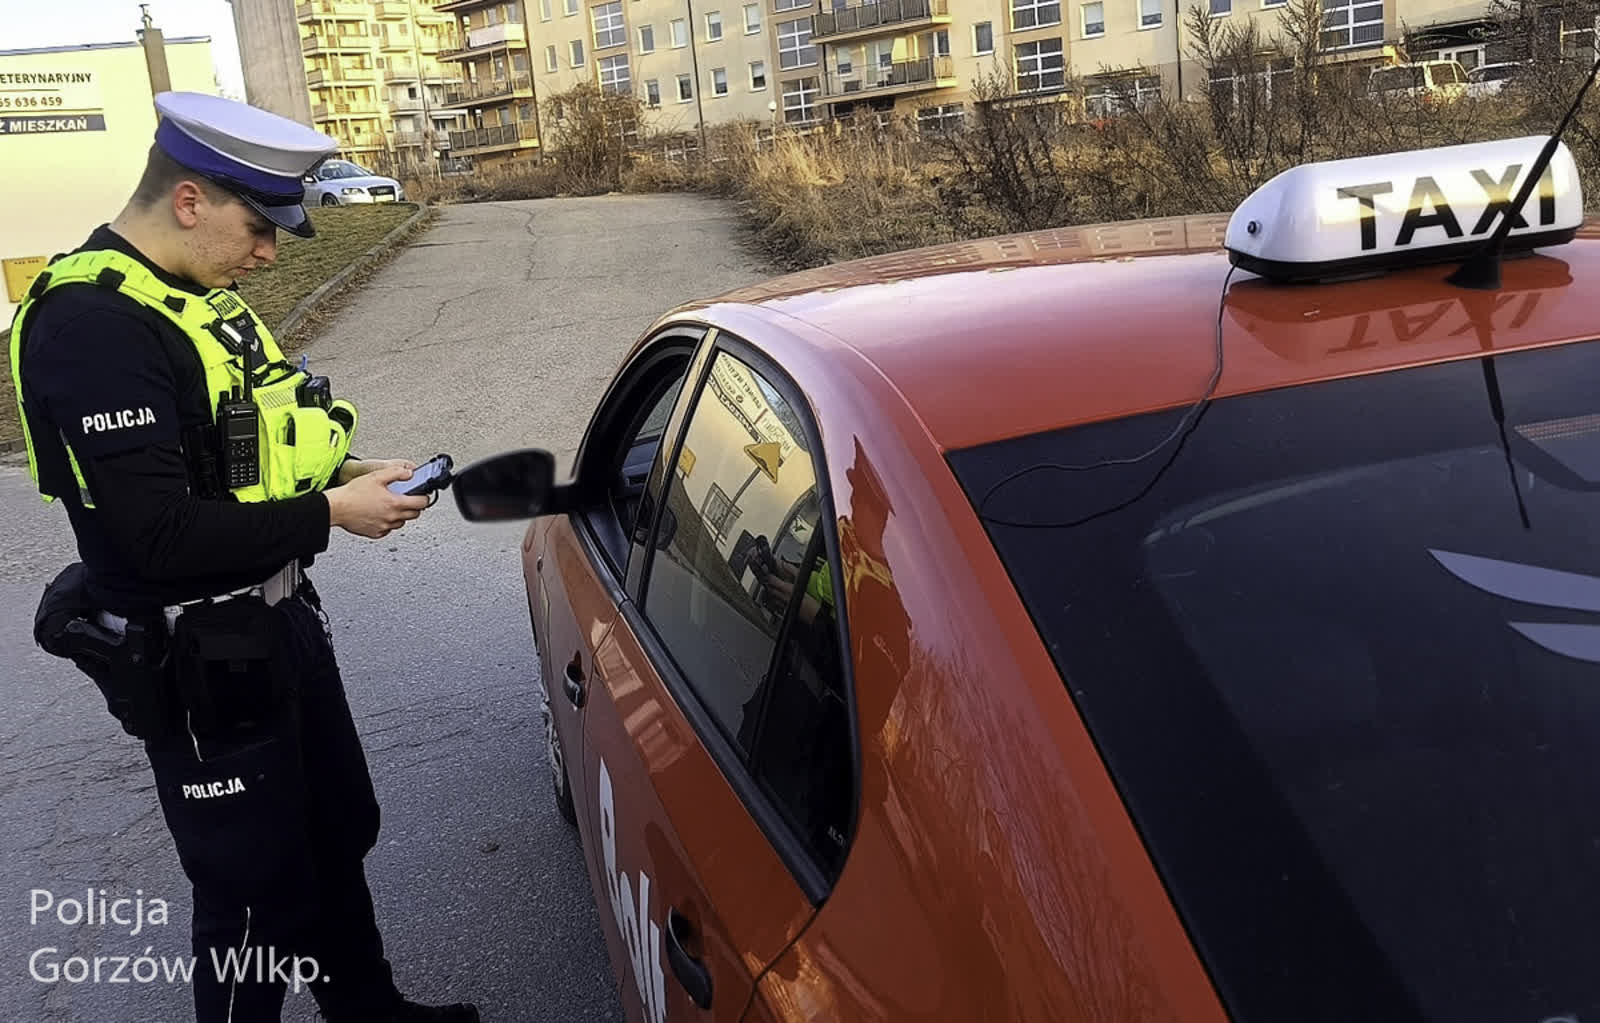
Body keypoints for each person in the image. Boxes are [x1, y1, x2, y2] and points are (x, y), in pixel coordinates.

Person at [11, 92, 479, 1023]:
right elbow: (157, 533)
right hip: (199, 658)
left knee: (336, 835)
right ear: (189, 201)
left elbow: (242, 455)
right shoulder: (90, 327)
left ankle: (370, 1012)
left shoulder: (196, 301)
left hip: (279, 622)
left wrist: (348, 471)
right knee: (253, 893)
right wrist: (331, 514)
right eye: (260, 228)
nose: (269, 253)